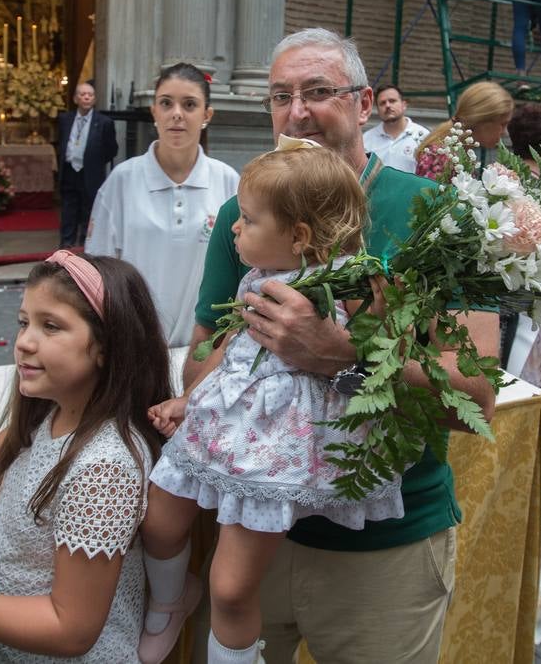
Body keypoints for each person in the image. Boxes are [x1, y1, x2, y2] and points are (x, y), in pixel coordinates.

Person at [186, 28, 497, 664]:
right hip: (253, 533)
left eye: (318, 92)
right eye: (280, 96)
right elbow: (201, 355)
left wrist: (342, 361)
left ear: (363, 105)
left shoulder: (433, 212)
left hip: (385, 549)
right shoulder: (241, 219)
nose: (296, 112)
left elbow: (476, 397)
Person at [139, 144, 404, 664]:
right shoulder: (255, 279)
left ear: (299, 236)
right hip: (224, 421)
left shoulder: (353, 283)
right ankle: (170, 600)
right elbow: (232, 346)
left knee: (233, 587)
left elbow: (383, 370)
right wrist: (187, 398)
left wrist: (350, 347)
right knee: (159, 521)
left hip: (279, 442)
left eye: (249, 220)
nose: (234, 229)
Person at [0, 253, 173, 662]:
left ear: (105, 347)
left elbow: (71, 628)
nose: (24, 341)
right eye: (24, 322)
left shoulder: (104, 469)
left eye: (51, 326)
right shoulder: (55, 409)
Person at [85, 64, 239, 347]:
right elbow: (98, 274)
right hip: (136, 348)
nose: (176, 113)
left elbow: (244, 272)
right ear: (154, 111)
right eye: (166, 103)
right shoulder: (122, 181)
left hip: (204, 350)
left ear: (207, 115)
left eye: (189, 104)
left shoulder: (229, 182)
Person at [58, 82, 118, 249]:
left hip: (90, 174)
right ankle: (66, 246)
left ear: (94, 99)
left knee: (88, 212)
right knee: (69, 211)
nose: (86, 97)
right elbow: (61, 143)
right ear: (75, 98)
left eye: (90, 95)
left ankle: (86, 247)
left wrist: (94, 162)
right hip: (70, 172)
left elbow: (111, 149)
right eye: (82, 94)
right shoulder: (65, 119)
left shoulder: (104, 122)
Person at [415, 80, 516, 177]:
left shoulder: (460, 154)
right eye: (503, 124)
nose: (505, 132)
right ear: (481, 121)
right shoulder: (440, 158)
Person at [363, 84, 430, 173]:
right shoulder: (366, 139)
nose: (387, 105)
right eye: (382, 103)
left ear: (404, 105)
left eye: (392, 101)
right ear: (377, 109)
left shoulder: (423, 136)